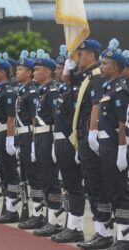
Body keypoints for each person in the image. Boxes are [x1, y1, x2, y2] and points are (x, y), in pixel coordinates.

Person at [68, 39, 114, 250]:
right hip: (84, 138)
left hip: (91, 137)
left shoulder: (95, 78)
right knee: (92, 186)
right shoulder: (87, 77)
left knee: (97, 186)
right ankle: (99, 230)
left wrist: (92, 134)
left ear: (92, 55)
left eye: (82, 53)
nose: (79, 57)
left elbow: (95, 107)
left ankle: (104, 232)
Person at [51, 45, 85, 243]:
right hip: (62, 140)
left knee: (74, 186)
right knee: (68, 185)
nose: (59, 71)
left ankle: (76, 227)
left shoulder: (76, 90)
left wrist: (76, 145)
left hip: (72, 140)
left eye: (62, 68)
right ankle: (70, 224)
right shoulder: (65, 89)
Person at [97, 39, 129, 250]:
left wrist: (121, 151)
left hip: (116, 144)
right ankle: (117, 234)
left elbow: (121, 124)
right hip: (106, 144)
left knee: (120, 191)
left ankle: (124, 237)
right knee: (110, 188)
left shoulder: (119, 89)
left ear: (115, 67)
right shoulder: (107, 88)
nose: (101, 66)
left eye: (105, 63)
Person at [31, 49, 63, 237]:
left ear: (47, 72)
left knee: (51, 181)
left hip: (49, 137)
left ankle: (55, 220)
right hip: (41, 139)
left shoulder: (51, 92)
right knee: (44, 179)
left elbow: (56, 120)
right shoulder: (43, 92)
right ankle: (50, 217)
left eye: (37, 69)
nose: (34, 72)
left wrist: (52, 145)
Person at [14, 50, 44, 230]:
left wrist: (33, 144)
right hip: (22, 137)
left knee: (34, 176)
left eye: (20, 69)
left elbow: (34, 121)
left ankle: (38, 213)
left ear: (29, 73)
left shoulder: (32, 92)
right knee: (25, 177)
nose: (17, 72)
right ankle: (32, 211)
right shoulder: (23, 91)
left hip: (29, 136)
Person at [0, 53, 20, 224]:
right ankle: (8, 207)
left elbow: (11, 118)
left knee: (10, 173)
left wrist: (10, 139)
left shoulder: (8, 91)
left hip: (5, 134)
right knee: (4, 173)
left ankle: (12, 209)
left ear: (3, 73)